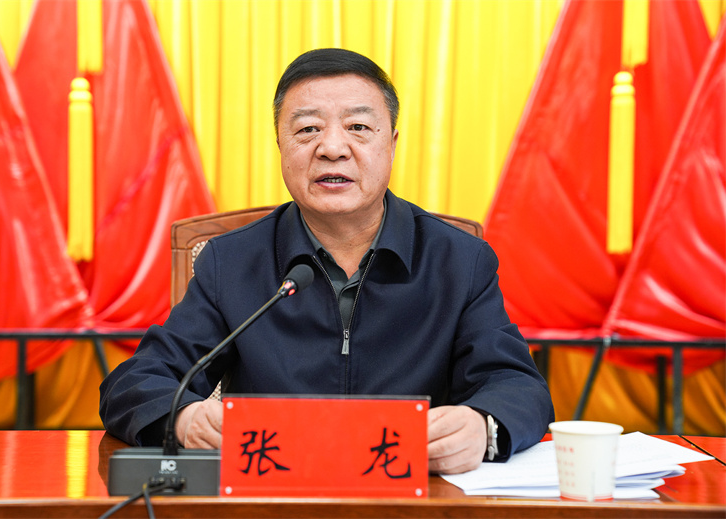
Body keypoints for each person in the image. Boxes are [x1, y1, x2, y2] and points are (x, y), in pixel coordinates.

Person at [100, 48, 554, 474]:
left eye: (358, 127)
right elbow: (136, 382)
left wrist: (482, 427)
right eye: (307, 129)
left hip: (412, 497)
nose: (332, 148)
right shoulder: (231, 262)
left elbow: (518, 386)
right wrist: (183, 420)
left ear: (392, 144)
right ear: (280, 146)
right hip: (272, 495)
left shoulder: (459, 261)